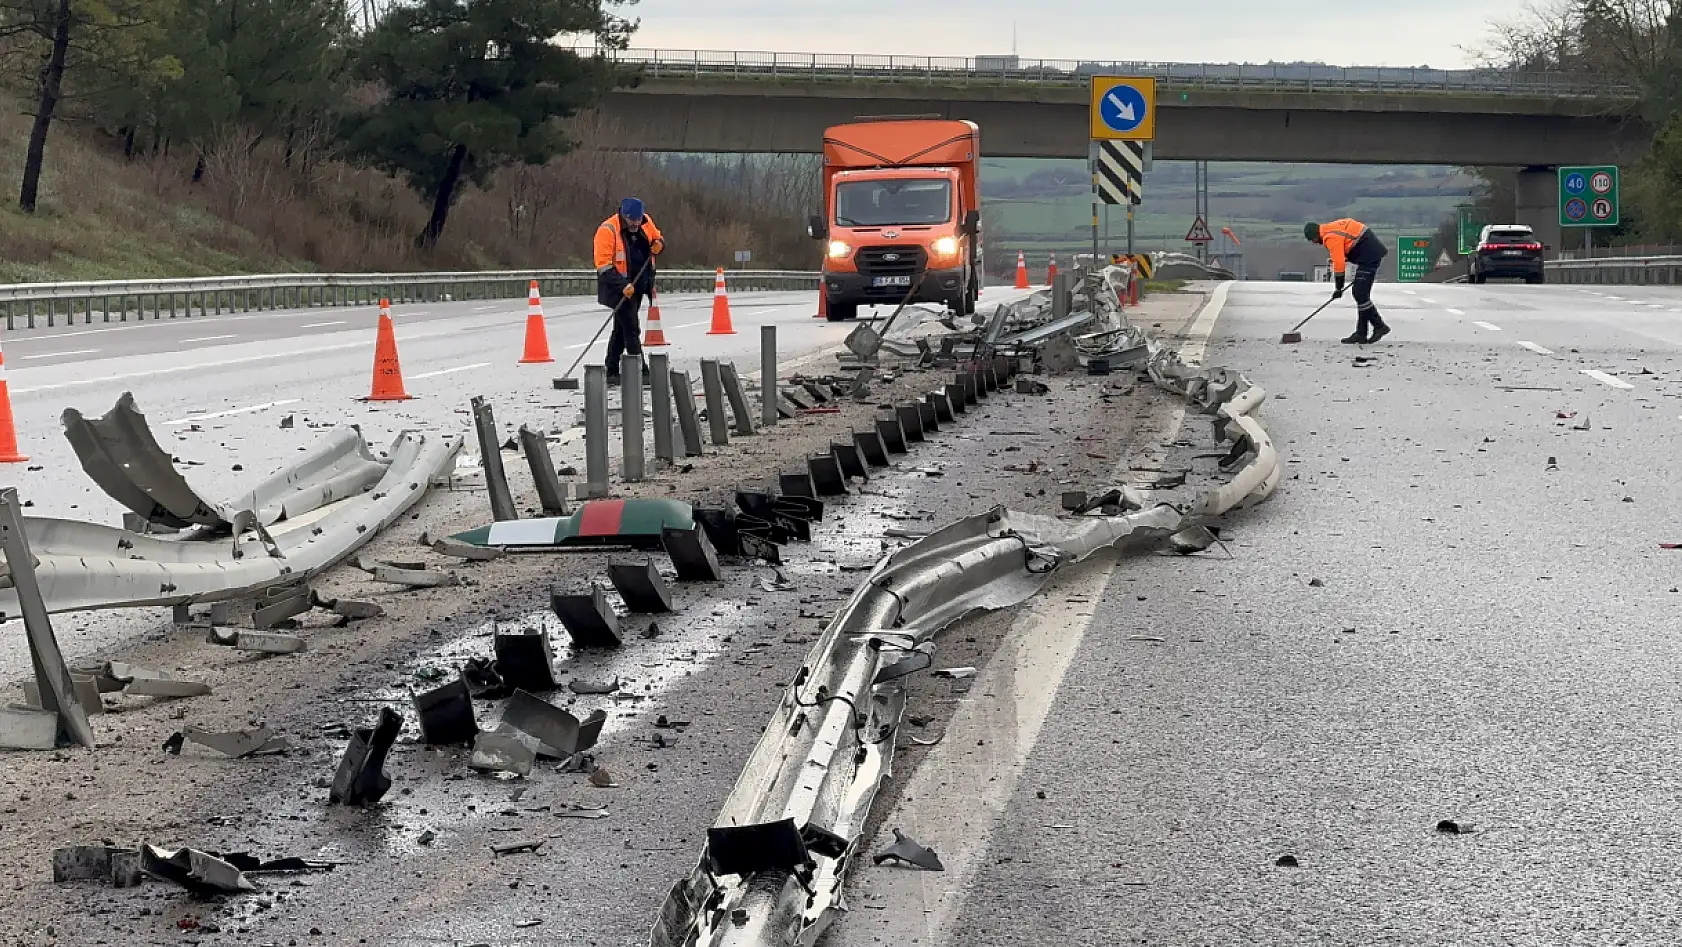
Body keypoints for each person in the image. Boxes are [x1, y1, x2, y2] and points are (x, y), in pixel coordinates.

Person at [594, 197, 665, 385]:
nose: (635, 223)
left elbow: (657, 237)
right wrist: (622, 285)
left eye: (638, 219)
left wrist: (659, 244)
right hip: (618, 287)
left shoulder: (645, 221)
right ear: (624, 215)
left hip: (639, 285)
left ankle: (611, 370)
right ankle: (641, 372)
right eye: (632, 219)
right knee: (632, 328)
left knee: (621, 329)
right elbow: (603, 266)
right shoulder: (608, 230)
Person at [1304, 219, 1390, 344]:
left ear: (1315, 236)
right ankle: (1364, 332)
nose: (1314, 243)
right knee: (1361, 294)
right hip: (1368, 252)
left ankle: (1378, 327)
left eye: (1312, 240)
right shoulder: (1329, 229)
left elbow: (1339, 263)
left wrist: (1338, 288)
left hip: (1369, 254)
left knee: (1360, 293)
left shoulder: (1330, 237)